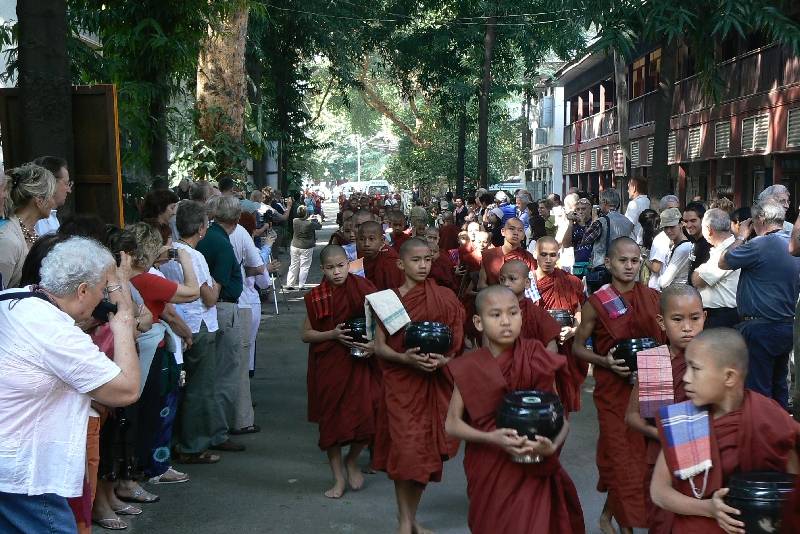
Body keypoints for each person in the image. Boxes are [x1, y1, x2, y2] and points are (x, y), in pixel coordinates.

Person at [0, 237, 141, 534]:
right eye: (103, 289)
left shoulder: (16, 298)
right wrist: (124, 324)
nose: (104, 298)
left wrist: (113, 278)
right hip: (25, 474)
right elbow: (126, 389)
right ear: (82, 290)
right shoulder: (55, 333)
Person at [445, 285, 585, 534]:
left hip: (535, 462)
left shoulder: (535, 356)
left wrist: (551, 446)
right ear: (478, 322)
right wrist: (491, 437)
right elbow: (452, 424)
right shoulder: (469, 365)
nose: (506, 321)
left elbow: (559, 417)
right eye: (495, 315)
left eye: (513, 313)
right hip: (490, 464)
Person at [650, 329, 799, 533]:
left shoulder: (767, 416)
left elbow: (793, 483)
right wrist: (709, 509)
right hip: (699, 521)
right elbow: (658, 492)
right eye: (686, 367)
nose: (686, 377)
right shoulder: (684, 420)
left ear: (729, 376)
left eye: (695, 369)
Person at [572, 236, 665, 534]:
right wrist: (604, 362)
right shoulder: (597, 303)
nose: (629, 266)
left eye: (635, 261)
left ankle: (609, 516)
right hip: (614, 389)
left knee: (642, 458)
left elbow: (665, 340)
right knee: (621, 456)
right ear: (609, 263)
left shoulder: (653, 297)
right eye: (623, 261)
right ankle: (625, 526)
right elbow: (578, 348)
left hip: (652, 383)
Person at [373, 238, 465, 534]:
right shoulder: (388, 300)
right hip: (403, 385)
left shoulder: (445, 297)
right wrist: (405, 358)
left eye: (427, 259)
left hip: (436, 383)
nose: (423, 265)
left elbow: (456, 343)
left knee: (426, 453)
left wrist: (443, 361)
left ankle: (412, 519)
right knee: (406, 451)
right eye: (416, 260)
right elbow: (379, 347)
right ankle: (404, 521)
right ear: (401, 264)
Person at [625, 284, 705, 533]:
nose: (687, 327)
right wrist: (660, 435)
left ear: (705, 317)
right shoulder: (656, 360)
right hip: (661, 457)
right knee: (663, 523)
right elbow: (632, 416)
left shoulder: (714, 359)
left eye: (695, 318)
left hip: (707, 458)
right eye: (677, 319)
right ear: (661, 322)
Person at [301, 245, 379, 499]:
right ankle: (337, 478)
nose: (336, 272)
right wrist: (332, 334)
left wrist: (374, 346)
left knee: (369, 417)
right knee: (331, 423)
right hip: (330, 365)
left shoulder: (364, 288)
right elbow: (306, 334)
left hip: (360, 363)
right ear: (322, 269)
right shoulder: (317, 296)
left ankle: (353, 460)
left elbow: (383, 321)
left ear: (349, 264)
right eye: (330, 268)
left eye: (341, 266)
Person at [160, 201, 224, 465]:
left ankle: (179, 440)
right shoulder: (194, 256)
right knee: (200, 389)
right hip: (198, 325)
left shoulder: (166, 252)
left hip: (176, 324)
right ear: (202, 228)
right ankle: (193, 445)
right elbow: (207, 296)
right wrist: (217, 285)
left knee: (182, 387)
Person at [720, 200, 800, 408]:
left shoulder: (760, 245)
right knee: (779, 386)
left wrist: (740, 236)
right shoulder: (792, 247)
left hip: (760, 327)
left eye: (753, 221)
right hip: (785, 325)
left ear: (761, 220)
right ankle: (781, 435)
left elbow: (723, 261)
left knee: (758, 391)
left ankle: (762, 436)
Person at [197, 195, 247, 452]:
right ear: (237, 219)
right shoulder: (221, 244)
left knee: (211, 373)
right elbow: (218, 283)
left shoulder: (209, 238)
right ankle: (218, 432)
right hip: (222, 308)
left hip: (208, 309)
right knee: (225, 373)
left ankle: (211, 429)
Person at [533, 236, 587, 411]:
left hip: (565, 343)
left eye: (552, 255)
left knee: (563, 395)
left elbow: (578, 310)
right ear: (535, 254)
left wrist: (574, 330)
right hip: (536, 346)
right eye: (543, 254)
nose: (548, 260)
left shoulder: (570, 281)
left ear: (558, 256)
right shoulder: (527, 281)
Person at [0, 164, 56, 288]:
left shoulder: (31, 231)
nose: (54, 202)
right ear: (39, 201)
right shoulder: (8, 241)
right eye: (52, 196)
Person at [691, 209, 740, 328]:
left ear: (709, 230)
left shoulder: (729, 250)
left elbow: (697, 280)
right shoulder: (726, 247)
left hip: (723, 316)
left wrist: (699, 271)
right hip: (719, 314)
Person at [497, 260, 560, 353]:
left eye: (512, 278)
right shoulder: (494, 312)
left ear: (527, 283)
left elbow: (552, 348)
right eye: (502, 279)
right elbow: (488, 348)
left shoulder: (538, 314)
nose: (506, 284)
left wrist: (534, 365)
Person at [581, 189, 634, 279]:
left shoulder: (601, 221)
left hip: (603, 267)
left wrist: (593, 219)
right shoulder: (628, 222)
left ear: (604, 202)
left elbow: (585, 240)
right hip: (622, 267)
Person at [477, 217, 536, 288]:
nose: (516, 233)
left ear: (523, 236)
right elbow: (481, 285)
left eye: (520, 230)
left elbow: (531, 285)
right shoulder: (489, 255)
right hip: (493, 296)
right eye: (511, 229)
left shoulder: (528, 257)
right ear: (503, 232)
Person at [644, 195, 680, 290]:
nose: (674, 213)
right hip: (658, 289)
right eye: (670, 209)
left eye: (676, 209)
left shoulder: (678, 235)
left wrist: (644, 259)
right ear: (660, 212)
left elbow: (655, 268)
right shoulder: (661, 238)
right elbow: (656, 268)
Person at [357, 220, 405, 291]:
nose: (366, 244)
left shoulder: (389, 260)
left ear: (382, 240)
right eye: (362, 239)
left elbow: (394, 292)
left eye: (371, 239)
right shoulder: (356, 255)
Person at [32, 156, 71, 236]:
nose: (68, 190)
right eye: (66, 183)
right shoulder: (36, 219)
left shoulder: (51, 215)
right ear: (51, 182)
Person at [285, 205, 321, 290]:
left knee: (293, 264)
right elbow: (319, 226)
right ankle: (301, 285)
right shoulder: (310, 223)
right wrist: (319, 219)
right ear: (306, 213)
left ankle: (290, 284)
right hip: (306, 247)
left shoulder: (295, 221)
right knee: (304, 266)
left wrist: (308, 218)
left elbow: (303, 220)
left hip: (295, 245)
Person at [657, 207, 693, 289]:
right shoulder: (676, 245)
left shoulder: (683, 248)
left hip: (679, 293)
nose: (668, 231)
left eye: (672, 226)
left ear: (681, 224)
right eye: (665, 227)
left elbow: (663, 282)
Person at [562, 196, 593, 278]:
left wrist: (582, 223)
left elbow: (587, 238)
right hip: (578, 266)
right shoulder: (575, 225)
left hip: (592, 266)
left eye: (583, 209)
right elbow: (565, 244)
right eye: (578, 209)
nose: (580, 211)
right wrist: (570, 224)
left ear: (590, 210)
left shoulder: (595, 223)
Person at [683, 202, 711, 285]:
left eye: (693, 221)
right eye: (686, 221)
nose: (688, 225)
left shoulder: (709, 244)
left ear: (703, 220)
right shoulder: (693, 239)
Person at [625, 178, 650, 244]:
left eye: (628, 187)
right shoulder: (647, 201)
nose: (628, 191)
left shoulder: (634, 204)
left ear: (634, 188)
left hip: (634, 244)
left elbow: (627, 226)